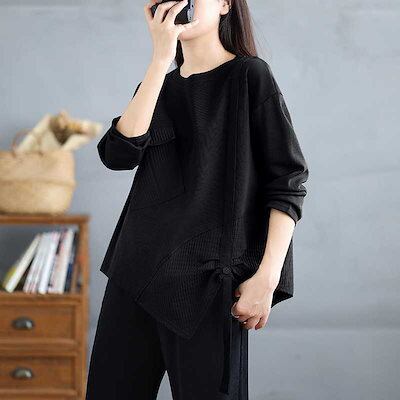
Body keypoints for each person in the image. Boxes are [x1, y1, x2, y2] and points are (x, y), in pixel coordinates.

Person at [86, 0, 309, 399]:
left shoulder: (249, 76)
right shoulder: (158, 85)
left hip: (208, 282)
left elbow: (287, 182)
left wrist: (267, 277)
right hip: (135, 274)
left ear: (225, 4)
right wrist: (160, 59)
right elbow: (119, 155)